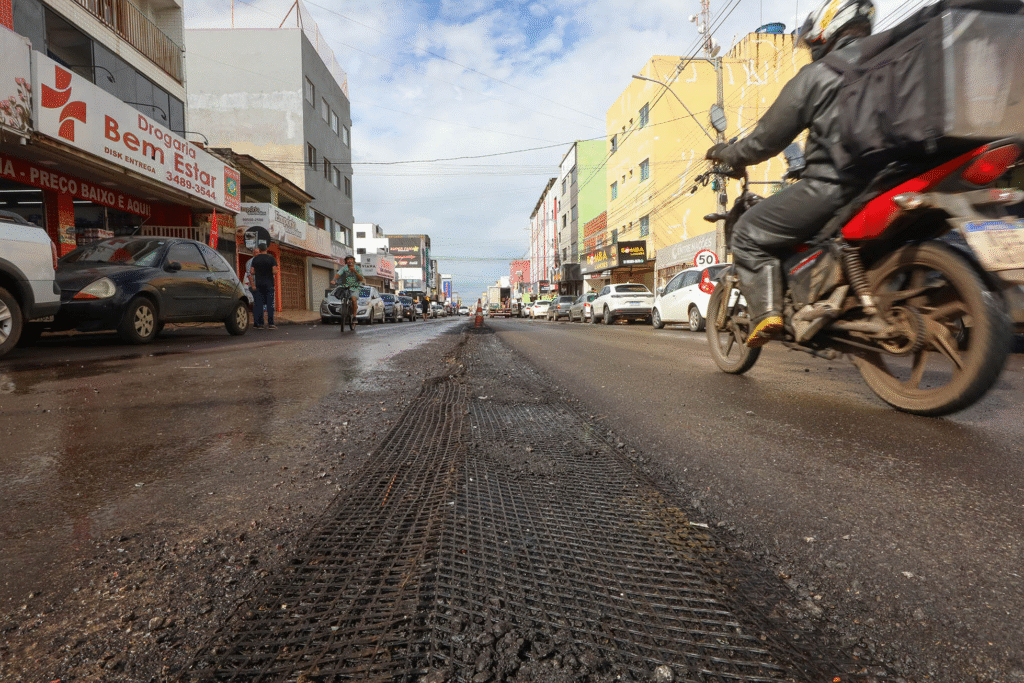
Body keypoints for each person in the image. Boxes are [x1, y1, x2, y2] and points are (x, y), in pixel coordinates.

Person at [705, 0, 875, 348]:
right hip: (883, 179)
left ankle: (768, 314)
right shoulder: (891, 64)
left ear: (828, 30)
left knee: (748, 233)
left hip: (833, 186)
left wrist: (729, 153)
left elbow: (766, 139)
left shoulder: (822, 73)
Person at [249, 243, 279, 329]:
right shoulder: (271, 258)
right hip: (269, 284)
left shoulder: (255, 259)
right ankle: (271, 323)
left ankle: (260, 324)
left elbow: (252, 272)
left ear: (259, 249)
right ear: (266, 249)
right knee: (270, 304)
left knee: (259, 304)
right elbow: (275, 271)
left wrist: (258, 272)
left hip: (259, 284)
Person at [331, 255, 365, 323]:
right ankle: (344, 309)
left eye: (351, 259)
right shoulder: (344, 268)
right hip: (345, 286)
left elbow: (361, 279)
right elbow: (338, 274)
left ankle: (354, 317)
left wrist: (355, 271)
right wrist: (334, 280)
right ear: (346, 261)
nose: (350, 261)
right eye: (348, 259)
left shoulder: (357, 268)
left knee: (353, 299)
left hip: (355, 287)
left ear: (353, 260)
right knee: (342, 296)